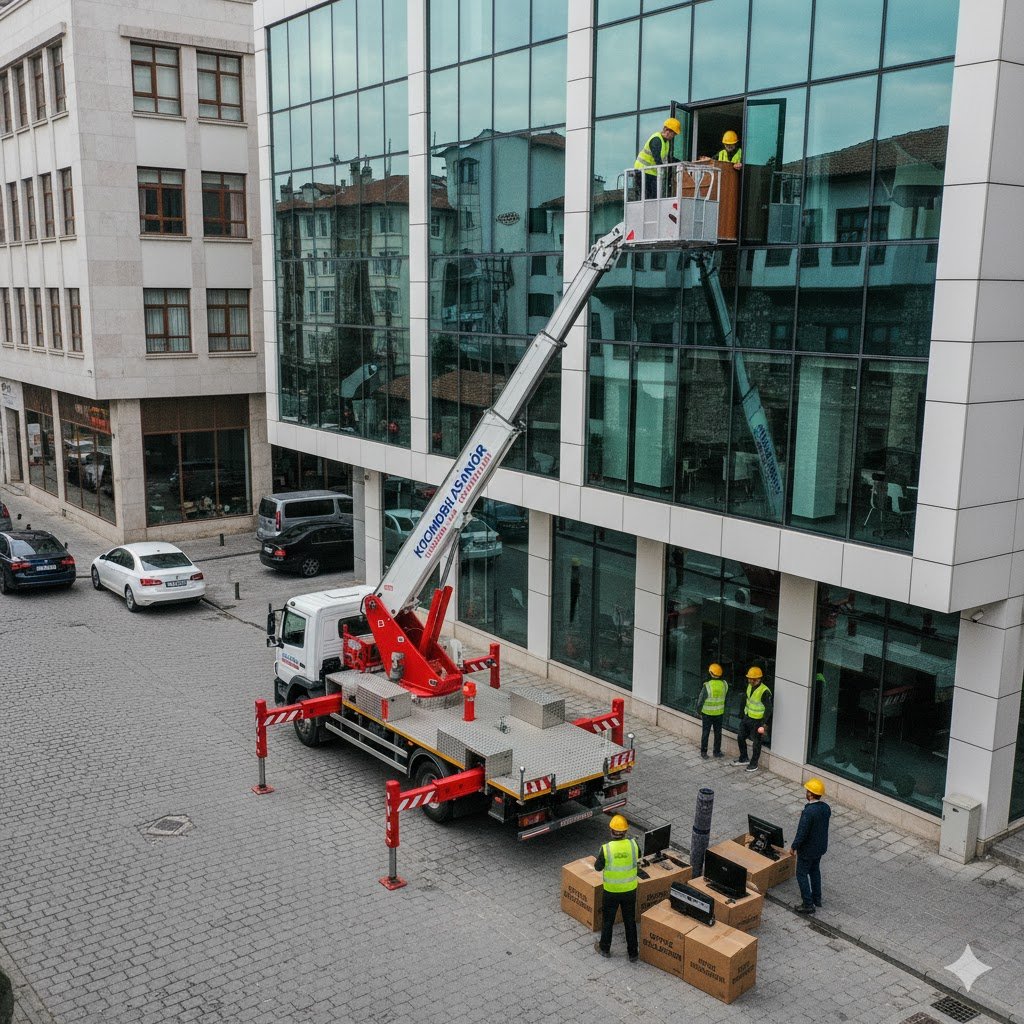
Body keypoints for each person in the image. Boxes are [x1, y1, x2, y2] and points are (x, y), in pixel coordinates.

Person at [593, 814, 648, 962]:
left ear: (611, 831)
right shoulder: (633, 845)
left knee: (608, 921)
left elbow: (598, 867)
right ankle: (633, 954)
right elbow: (639, 857)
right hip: (630, 891)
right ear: (625, 831)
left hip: (611, 892)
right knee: (629, 921)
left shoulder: (606, 849)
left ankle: (604, 948)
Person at [791, 778, 831, 914]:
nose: (806, 792)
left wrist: (794, 846)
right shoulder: (826, 808)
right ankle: (817, 898)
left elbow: (802, 832)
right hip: (819, 848)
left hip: (807, 850)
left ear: (811, 794)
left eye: (808, 791)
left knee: (801, 874)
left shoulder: (809, 812)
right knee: (815, 871)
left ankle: (808, 904)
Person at [732, 666, 772, 773]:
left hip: (757, 721)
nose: (749, 680)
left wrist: (763, 723)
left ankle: (754, 764)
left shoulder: (764, 691)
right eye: (749, 678)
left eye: (752, 679)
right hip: (747, 717)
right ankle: (744, 757)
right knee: (740, 737)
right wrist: (741, 713)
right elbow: (746, 700)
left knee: (756, 743)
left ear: (758, 679)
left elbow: (768, 709)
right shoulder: (749, 687)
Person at [634, 117, 681, 199]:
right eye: (673, 134)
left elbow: (667, 158)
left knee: (653, 198)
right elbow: (658, 159)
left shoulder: (666, 142)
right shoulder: (657, 140)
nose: (673, 136)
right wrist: (664, 171)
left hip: (651, 172)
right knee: (648, 198)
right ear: (667, 130)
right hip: (642, 171)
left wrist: (680, 162)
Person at [698, 663, 728, 760]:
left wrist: (699, 711)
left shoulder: (707, 686)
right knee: (718, 733)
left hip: (707, 713)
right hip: (719, 713)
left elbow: (701, 700)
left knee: (705, 733)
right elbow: (726, 698)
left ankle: (704, 752)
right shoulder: (724, 684)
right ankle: (717, 752)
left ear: (711, 673)